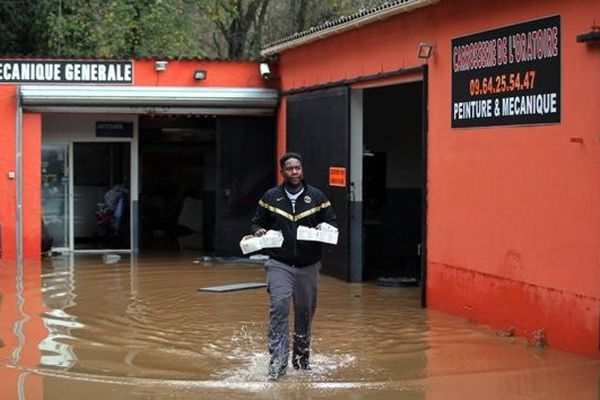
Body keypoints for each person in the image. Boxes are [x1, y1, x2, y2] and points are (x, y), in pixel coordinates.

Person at [251, 152, 337, 380]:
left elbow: (331, 222)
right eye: (289, 168)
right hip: (279, 263)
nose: (294, 172)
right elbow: (257, 222)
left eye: (297, 168)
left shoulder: (317, 197)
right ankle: (277, 364)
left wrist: (324, 230)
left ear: (302, 170)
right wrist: (258, 231)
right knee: (279, 307)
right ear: (282, 172)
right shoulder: (270, 197)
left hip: (308, 265)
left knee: (305, 313)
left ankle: (301, 361)